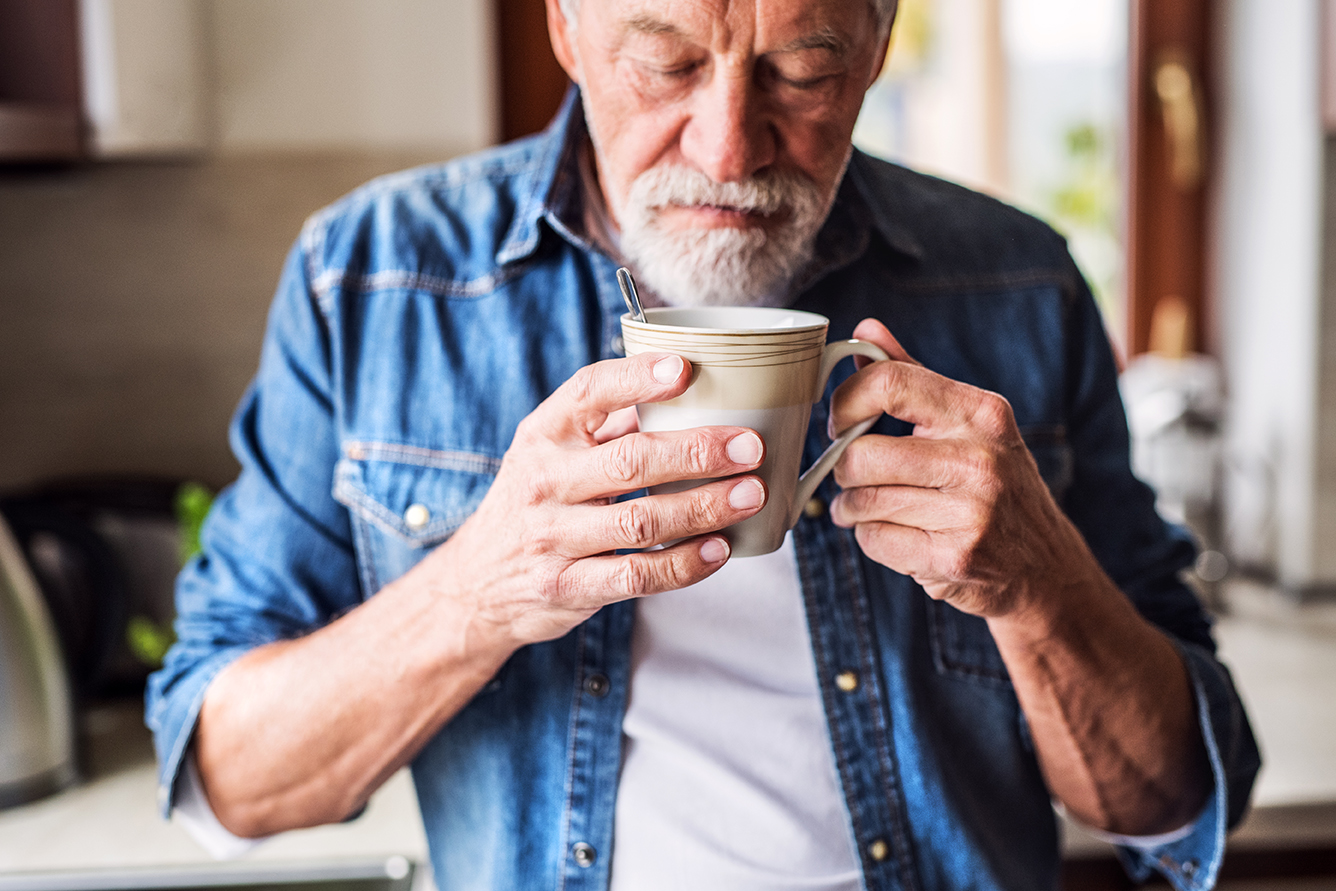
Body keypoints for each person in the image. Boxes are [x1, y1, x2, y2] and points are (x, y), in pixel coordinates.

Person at [147, 0, 1260, 888]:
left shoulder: (1019, 283)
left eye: (803, 71)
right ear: (566, 34)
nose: (729, 147)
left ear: (875, 49)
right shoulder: (373, 278)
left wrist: (1038, 586)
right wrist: (477, 594)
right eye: (666, 61)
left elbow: (1170, 796)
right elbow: (228, 779)